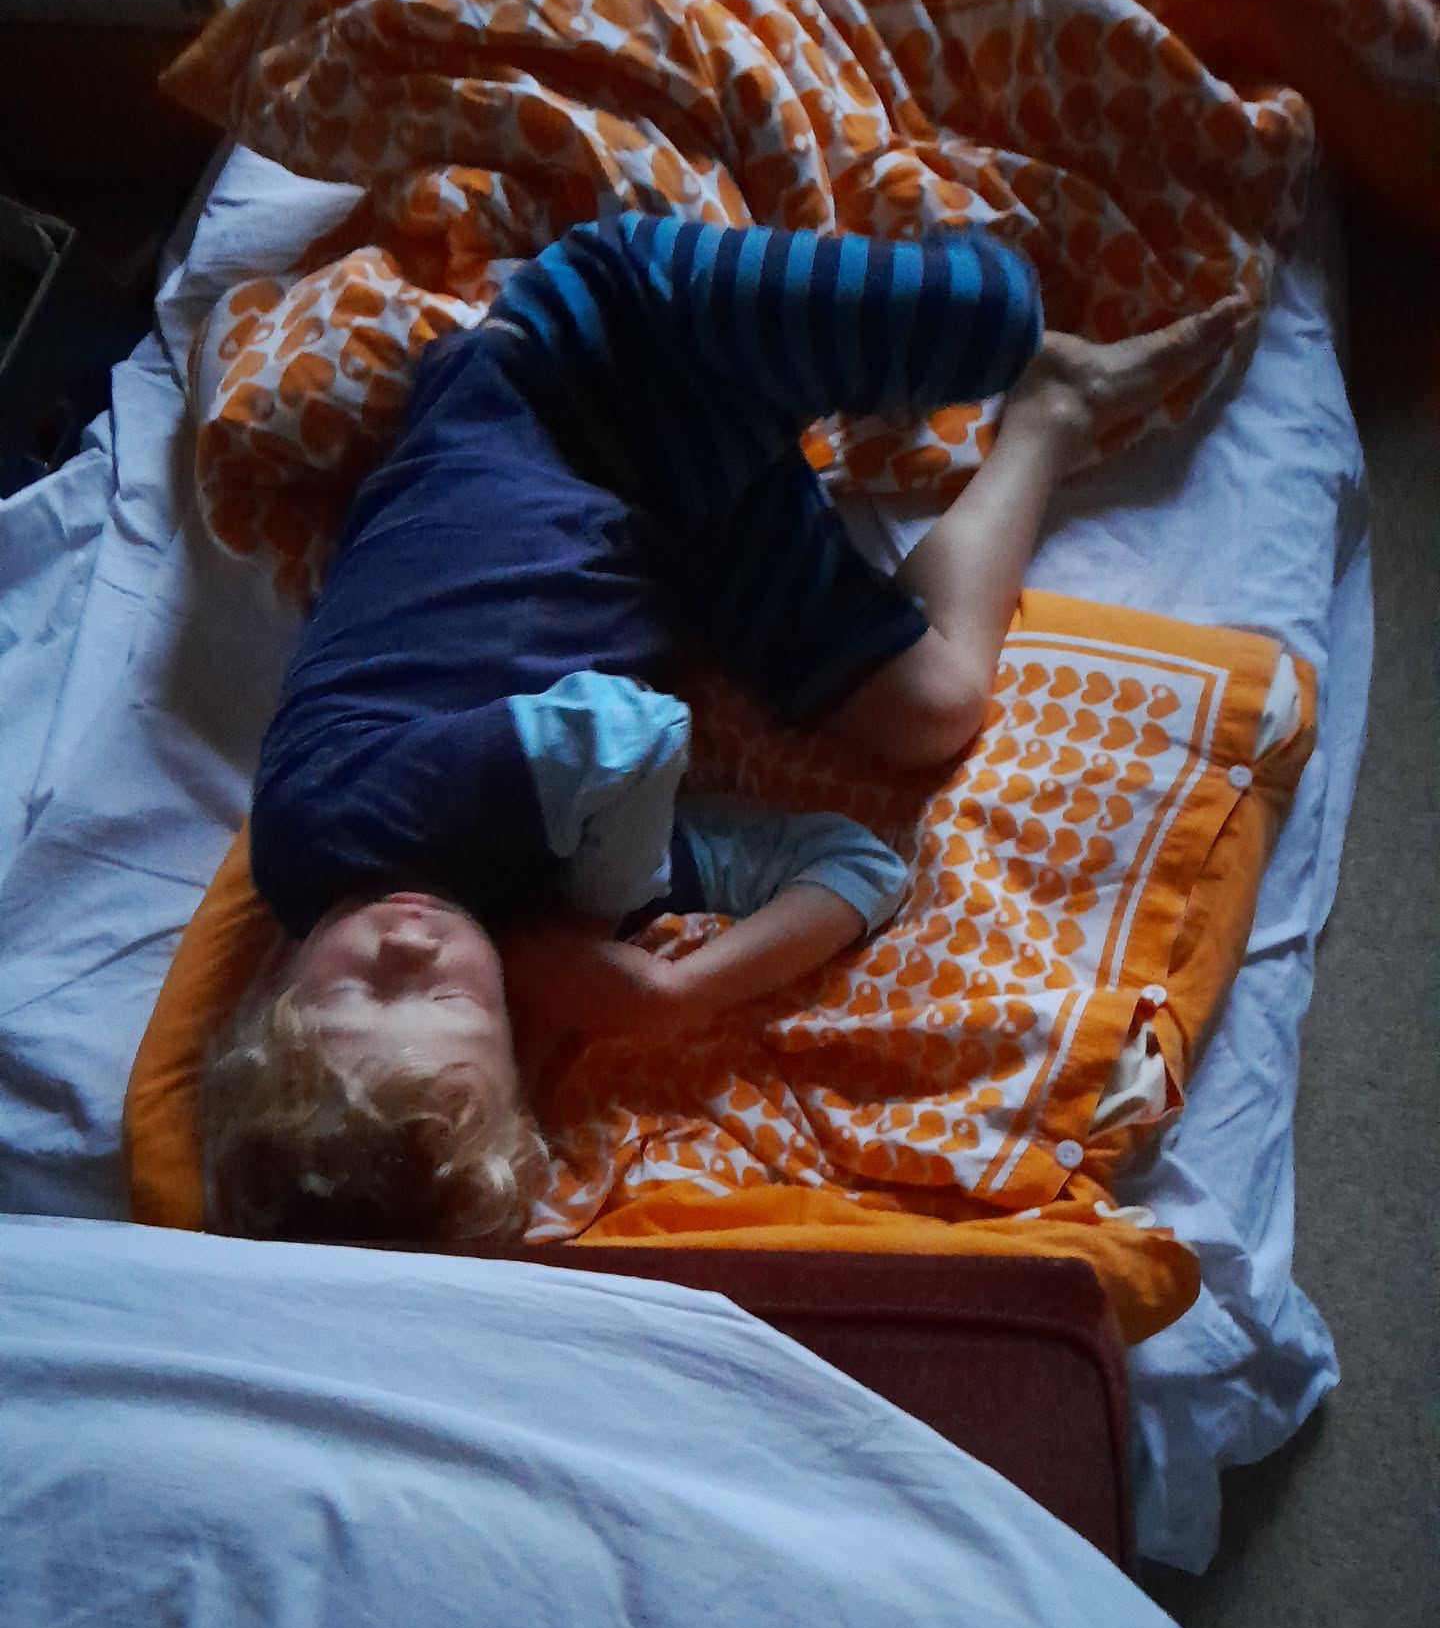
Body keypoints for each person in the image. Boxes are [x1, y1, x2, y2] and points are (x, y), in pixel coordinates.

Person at [202, 213, 1246, 1249]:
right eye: (446, 998)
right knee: (933, 708)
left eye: (358, 988)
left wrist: (604, 896)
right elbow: (858, 865)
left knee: (986, 314)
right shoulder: (547, 928)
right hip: (688, 530)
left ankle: (890, 299)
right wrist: (671, 992)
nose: (407, 941)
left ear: (277, 1001)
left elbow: (617, 738)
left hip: (589, 360)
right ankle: (1055, 410)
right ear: (516, 1036)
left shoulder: (321, 829)